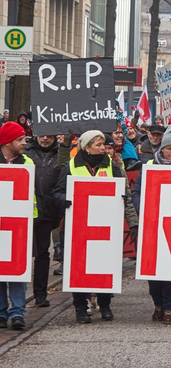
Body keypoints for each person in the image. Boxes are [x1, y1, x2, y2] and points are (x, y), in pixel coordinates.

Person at [52, 130, 138, 324]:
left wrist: (132, 223)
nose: (103, 148)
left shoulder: (113, 167)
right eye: (99, 145)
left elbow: (126, 196)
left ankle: (105, 305)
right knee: (79, 266)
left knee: (105, 265)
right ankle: (81, 307)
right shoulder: (71, 166)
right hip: (78, 227)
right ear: (87, 146)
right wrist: (63, 199)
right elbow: (57, 192)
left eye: (104, 145)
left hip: (105, 226)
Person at [132, 124, 171, 325]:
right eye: (169, 148)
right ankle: (157, 303)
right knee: (153, 269)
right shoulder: (149, 168)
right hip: (153, 226)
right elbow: (137, 192)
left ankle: (168, 308)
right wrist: (143, 210)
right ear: (162, 149)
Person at [0, 122, 36, 329]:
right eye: (20, 140)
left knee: (17, 270)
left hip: (19, 225)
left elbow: (33, 194)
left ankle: (17, 313)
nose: (24, 143)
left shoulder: (27, 162)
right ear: (7, 142)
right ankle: (1, 313)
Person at [26, 132, 62, 308]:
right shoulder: (26, 152)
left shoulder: (60, 154)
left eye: (48, 135)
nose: (45, 139)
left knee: (42, 253)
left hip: (48, 211)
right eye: (42, 135)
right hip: (25, 210)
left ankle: (40, 293)